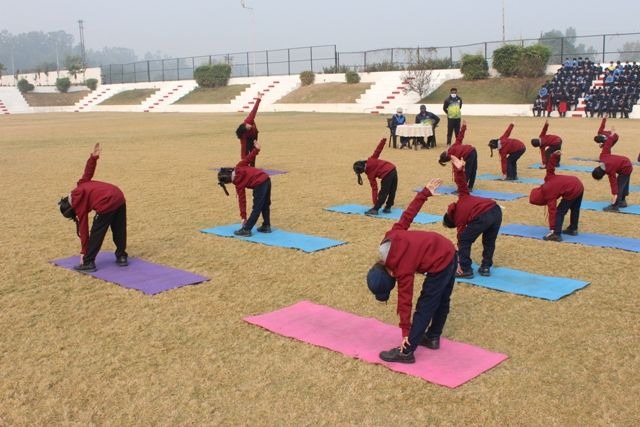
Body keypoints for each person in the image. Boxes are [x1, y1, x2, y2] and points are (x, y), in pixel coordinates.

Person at [366, 178, 457, 364]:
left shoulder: (402, 269)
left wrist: (406, 332)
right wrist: (423, 194)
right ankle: (432, 337)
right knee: (442, 299)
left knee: (426, 305)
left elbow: (405, 302)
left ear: (391, 276)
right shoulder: (390, 238)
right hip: (449, 250)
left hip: (440, 261)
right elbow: (407, 216)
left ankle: (406, 352)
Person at [58, 143, 128, 272]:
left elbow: (84, 232)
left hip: (106, 202)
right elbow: (88, 171)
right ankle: (122, 257)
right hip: (118, 195)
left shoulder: (78, 207)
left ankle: (89, 263)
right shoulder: (80, 185)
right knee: (119, 229)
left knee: (97, 233)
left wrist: (84, 253)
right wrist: (93, 158)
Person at [442, 156, 502, 277]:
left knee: (464, 239)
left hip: (483, 214)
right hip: (496, 209)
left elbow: (461, 237)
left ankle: (465, 269)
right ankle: (485, 267)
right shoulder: (462, 197)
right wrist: (459, 170)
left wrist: (459, 261)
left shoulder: (458, 218)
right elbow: (462, 184)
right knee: (489, 240)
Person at [218, 142, 272, 236]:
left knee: (257, 207)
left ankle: (247, 229)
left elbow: (242, 201)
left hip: (259, 183)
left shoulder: (238, 184)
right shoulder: (239, 166)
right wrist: (257, 149)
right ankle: (266, 225)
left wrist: (243, 217)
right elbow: (249, 157)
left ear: (229, 181)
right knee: (265, 204)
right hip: (266, 178)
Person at [529, 152, 584, 241]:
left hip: (572, 189)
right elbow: (550, 167)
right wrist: (554, 155)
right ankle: (573, 229)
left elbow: (552, 211)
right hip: (578, 183)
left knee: (559, 212)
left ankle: (556, 234)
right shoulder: (547, 178)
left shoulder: (548, 195)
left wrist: (552, 229)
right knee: (575, 209)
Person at [353, 138, 398, 215]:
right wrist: (383, 141)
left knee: (384, 192)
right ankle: (388, 207)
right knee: (392, 190)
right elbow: (378, 150)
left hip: (387, 174)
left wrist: (375, 202)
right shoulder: (371, 159)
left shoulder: (369, 174)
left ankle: (375, 209)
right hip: (393, 169)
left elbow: (374, 188)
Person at [593, 140, 633, 212]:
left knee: (619, 186)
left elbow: (614, 184)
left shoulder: (609, 170)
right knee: (624, 183)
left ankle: (615, 206)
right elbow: (607, 146)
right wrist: (611, 136)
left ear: (602, 175)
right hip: (626, 162)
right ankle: (622, 201)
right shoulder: (602, 157)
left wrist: (615, 194)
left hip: (626, 167)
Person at [438, 120, 478, 191]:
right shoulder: (452, 147)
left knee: (468, 171)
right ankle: (470, 187)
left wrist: (458, 184)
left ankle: (463, 188)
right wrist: (464, 127)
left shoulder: (452, 157)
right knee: (473, 170)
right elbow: (460, 137)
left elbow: (457, 172)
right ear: (445, 152)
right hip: (473, 150)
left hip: (469, 154)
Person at [235, 92, 263, 167]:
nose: (249, 126)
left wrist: (258, 99)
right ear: (245, 131)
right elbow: (243, 150)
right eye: (248, 128)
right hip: (248, 139)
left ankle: (252, 166)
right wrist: (243, 161)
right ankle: (246, 167)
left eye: (248, 126)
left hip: (254, 136)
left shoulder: (248, 120)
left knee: (254, 151)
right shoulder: (243, 136)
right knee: (246, 153)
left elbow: (254, 111)